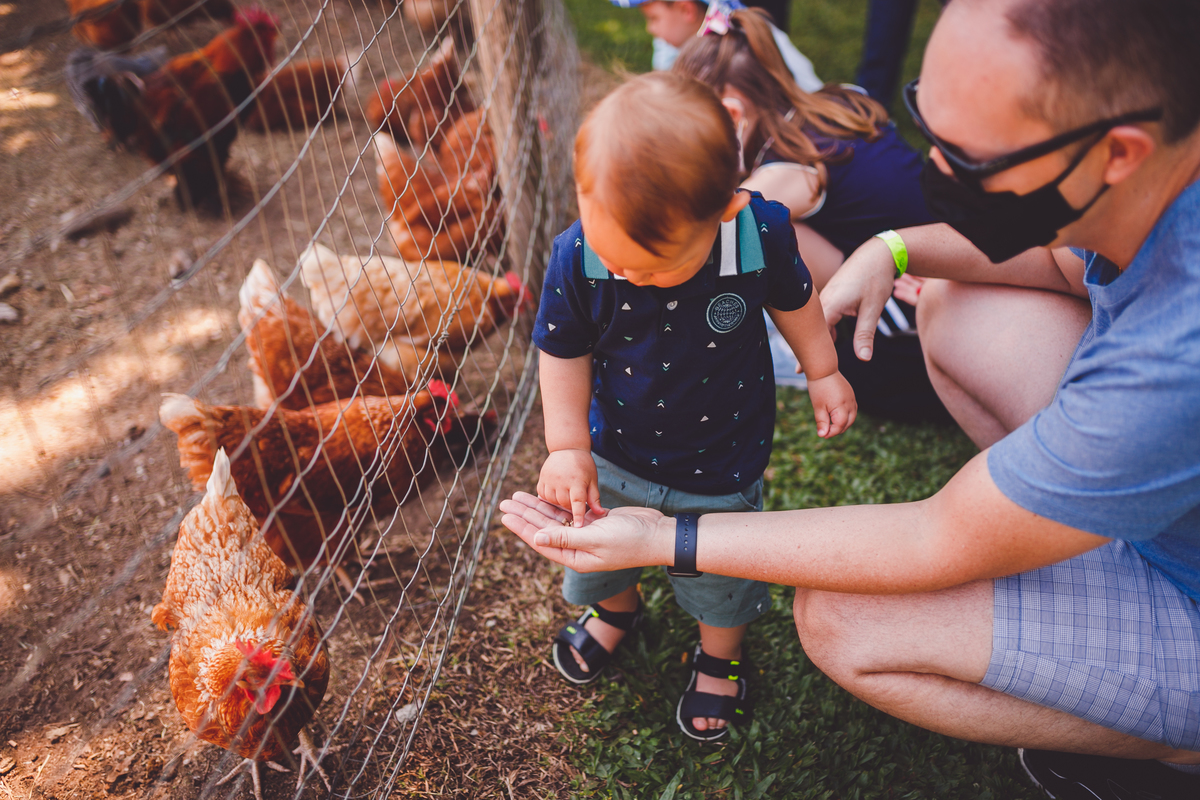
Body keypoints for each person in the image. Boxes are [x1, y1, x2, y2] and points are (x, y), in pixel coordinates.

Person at [504, 0, 1200, 796]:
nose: (930, 177)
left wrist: (665, 537)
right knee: (950, 297)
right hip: (1152, 483)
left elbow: (938, 538)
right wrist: (894, 245)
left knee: (843, 617)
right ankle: (1087, 528)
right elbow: (1061, 262)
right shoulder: (1159, 192)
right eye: (923, 128)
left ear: (1119, 152)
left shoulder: (1174, 356)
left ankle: (1179, 750)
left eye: (966, 161)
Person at [533, 71, 856, 741]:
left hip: (723, 454)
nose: (625, 275)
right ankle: (616, 611)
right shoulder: (580, 254)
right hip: (614, 450)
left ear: (723, 213)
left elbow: (795, 301)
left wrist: (823, 369)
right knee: (602, 549)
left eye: (648, 268)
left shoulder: (755, 233)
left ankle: (718, 658)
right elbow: (561, 352)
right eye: (612, 255)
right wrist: (567, 447)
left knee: (718, 574)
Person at [675, 5, 948, 423]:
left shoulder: (781, 174)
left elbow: (699, 232)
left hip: (901, 339)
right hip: (939, 266)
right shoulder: (839, 101)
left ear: (731, 113)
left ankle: (795, 337)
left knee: (750, 226)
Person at [610, 0, 821, 92]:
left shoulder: (735, 56)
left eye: (653, 18)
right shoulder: (688, 36)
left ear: (686, 10)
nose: (650, 29)